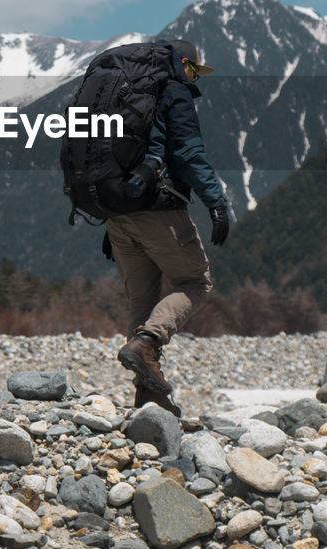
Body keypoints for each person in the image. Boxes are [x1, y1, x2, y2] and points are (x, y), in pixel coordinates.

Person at [103, 39, 231, 417]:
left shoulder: (121, 94)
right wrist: (217, 203)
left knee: (142, 301)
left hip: (117, 212)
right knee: (196, 281)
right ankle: (147, 343)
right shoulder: (174, 91)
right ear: (184, 64)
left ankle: (148, 397)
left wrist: (111, 218)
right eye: (195, 69)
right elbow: (189, 152)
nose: (195, 77)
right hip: (158, 207)